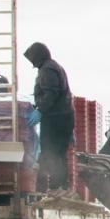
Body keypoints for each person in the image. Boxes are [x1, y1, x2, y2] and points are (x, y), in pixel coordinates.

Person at [23, 42, 74, 193]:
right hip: (62, 117)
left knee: (51, 153)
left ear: (38, 56)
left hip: (56, 119)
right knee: (57, 153)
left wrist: (40, 110)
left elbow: (51, 93)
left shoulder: (47, 69)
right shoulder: (52, 66)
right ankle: (60, 187)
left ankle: (56, 187)